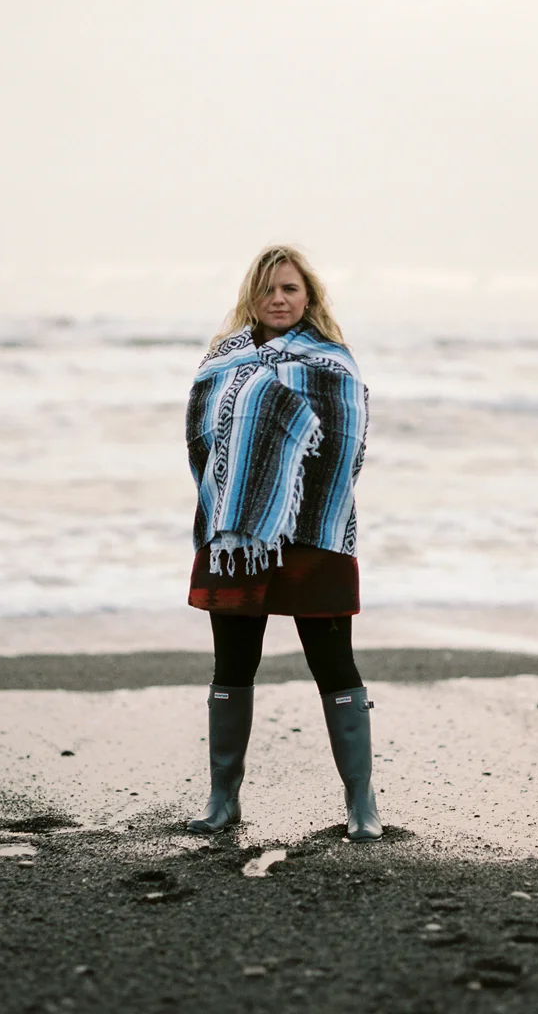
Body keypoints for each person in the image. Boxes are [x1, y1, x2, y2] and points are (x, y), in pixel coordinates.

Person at [183, 245, 381, 841]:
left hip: (314, 529)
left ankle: (361, 805)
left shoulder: (334, 365)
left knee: (332, 662)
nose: (279, 299)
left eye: (291, 289)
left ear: (309, 297)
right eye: (268, 289)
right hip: (237, 536)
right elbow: (203, 443)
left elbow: (348, 447)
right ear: (252, 296)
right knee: (234, 662)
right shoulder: (221, 363)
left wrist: (286, 480)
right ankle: (223, 801)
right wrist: (243, 499)